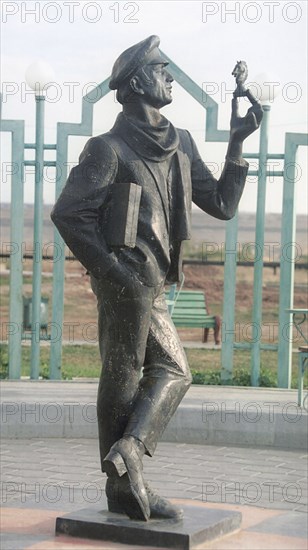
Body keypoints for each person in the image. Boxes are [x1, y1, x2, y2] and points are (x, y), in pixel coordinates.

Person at [51, 35, 263, 522]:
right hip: (126, 280)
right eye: (162, 69)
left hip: (155, 284)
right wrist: (110, 269)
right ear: (137, 82)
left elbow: (223, 205)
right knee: (133, 374)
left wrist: (236, 142)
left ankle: (125, 462)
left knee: (159, 372)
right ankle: (123, 480)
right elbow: (69, 214)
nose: (170, 77)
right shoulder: (107, 148)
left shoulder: (180, 143)